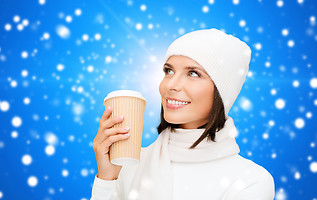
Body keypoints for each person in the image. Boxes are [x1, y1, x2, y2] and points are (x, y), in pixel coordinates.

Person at [90, 28, 275, 200]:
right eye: (169, 71)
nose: (171, 85)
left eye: (193, 73)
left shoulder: (250, 181)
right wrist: (108, 179)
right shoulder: (130, 165)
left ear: (222, 92)